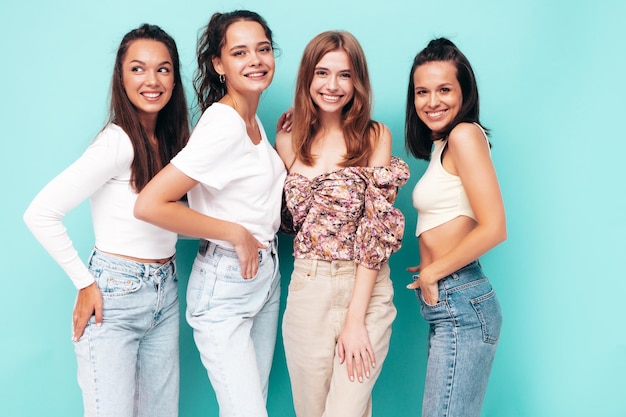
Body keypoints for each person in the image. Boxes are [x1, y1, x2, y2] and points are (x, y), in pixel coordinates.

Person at [23, 24, 189, 417]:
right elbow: (40, 213)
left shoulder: (170, 141)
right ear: (121, 77)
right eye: (138, 69)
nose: (152, 80)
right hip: (116, 295)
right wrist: (84, 281)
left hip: (165, 292)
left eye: (163, 69)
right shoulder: (117, 142)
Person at [134, 10, 285, 417]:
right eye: (239, 52)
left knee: (250, 407)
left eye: (263, 49)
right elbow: (150, 203)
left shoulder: (250, 119)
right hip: (227, 284)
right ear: (219, 64)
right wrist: (234, 233)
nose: (255, 60)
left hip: (263, 277)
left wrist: (281, 149)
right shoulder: (223, 124)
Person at [275, 30, 410, 417]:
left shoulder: (374, 137)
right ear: (307, 78)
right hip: (308, 289)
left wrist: (355, 319)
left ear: (358, 82)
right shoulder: (288, 142)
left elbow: (376, 231)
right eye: (322, 73)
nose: (332, 85)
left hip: (365, 290)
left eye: (345, 75)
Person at [404, 37, 506, 417]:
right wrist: (430, 262)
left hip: (461, 298)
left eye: (445, 89)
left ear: (465, 91)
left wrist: (435, 268)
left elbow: (494, 226)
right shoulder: (443, 143)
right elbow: (453, 215)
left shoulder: (464, 135)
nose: (433, 102)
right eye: (422, 92)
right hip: (450, 298)